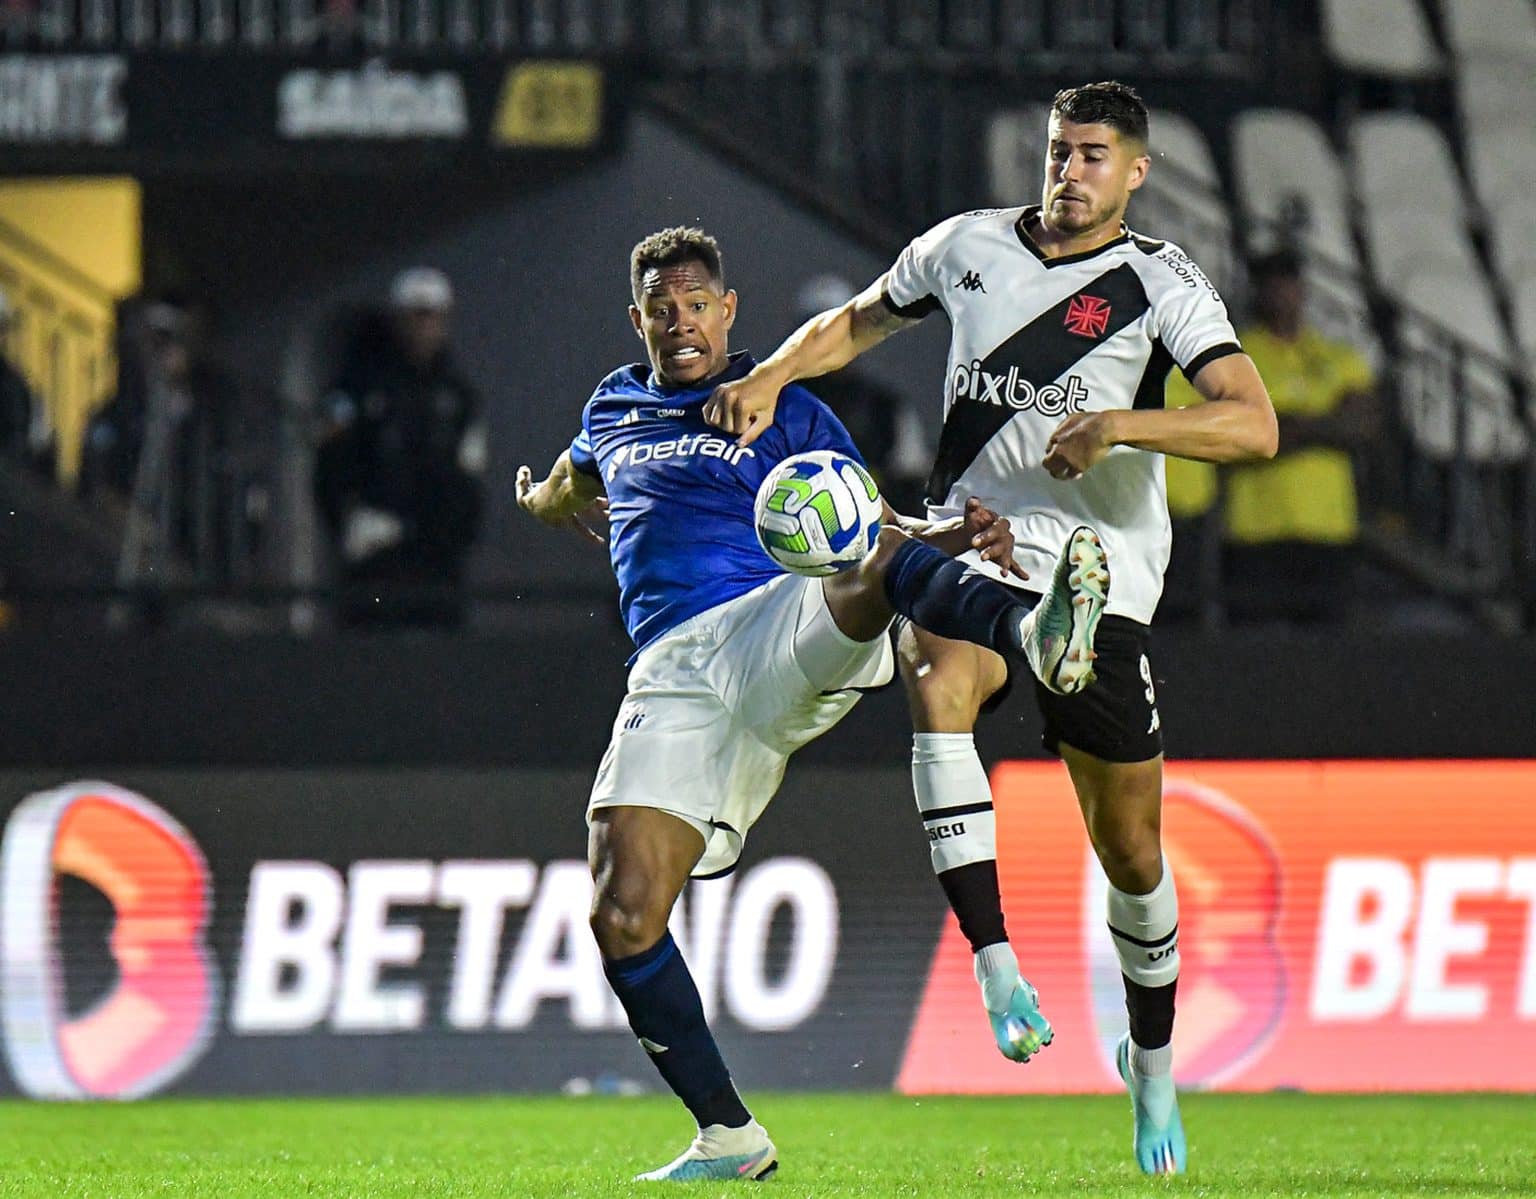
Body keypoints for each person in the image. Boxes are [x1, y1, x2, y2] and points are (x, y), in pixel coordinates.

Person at [705, 82, 1278, 1176]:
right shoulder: (965, 245)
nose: (1069, 171)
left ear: (1138, 172)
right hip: (977, 543)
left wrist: (1119, 423)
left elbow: (1253, 423)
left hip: (1098, 585)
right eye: (1059, 151)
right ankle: (995, 961)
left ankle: (1151, 1067)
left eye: (1094, 155)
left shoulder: (1159, 285)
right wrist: (773, 372)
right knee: (934, 672)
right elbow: (860, 320)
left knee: (1133, 851)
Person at [517, 226, 1109, 1183]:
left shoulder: (780, 407)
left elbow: (867, 517)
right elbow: (574, 476)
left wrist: (952, 532)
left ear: (728, 310)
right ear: (638, 319)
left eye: (697, 305)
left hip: (774, 621)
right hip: (673, 674)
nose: (681, 323)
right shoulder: (613, 406)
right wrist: (546, 499)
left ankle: (1030, 629)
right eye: (662, 309)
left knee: (856, 560)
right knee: (622, 911)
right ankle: (728, 1135)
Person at [1165, 248, 1378, 623]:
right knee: (1258, 659)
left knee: (1330, 657)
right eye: (1272, 285)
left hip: (1329, 529)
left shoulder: (1334, 355)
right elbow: (1233, 429)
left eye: (1289, 283)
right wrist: (1325, 422)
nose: (1282, 293)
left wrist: (1284, 425)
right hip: (1255, 531)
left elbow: (1364, 425)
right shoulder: (1232, 352)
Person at [313, 267, 486, 628]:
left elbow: (468, 483)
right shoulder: (359, 387)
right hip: (373, 556)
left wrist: (441, 536)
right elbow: (329, 466)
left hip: (437, 564)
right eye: (415, 316)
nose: (423, 328)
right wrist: (348, 524)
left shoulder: (458, 398)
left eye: (432, 317)